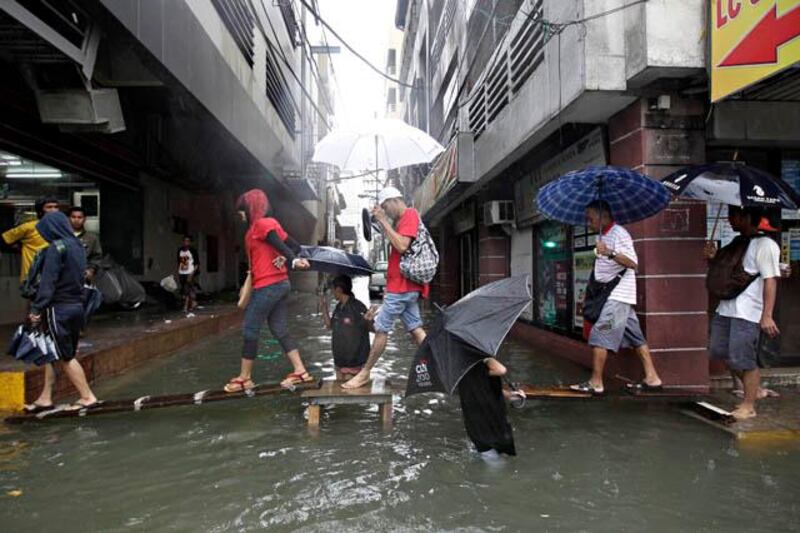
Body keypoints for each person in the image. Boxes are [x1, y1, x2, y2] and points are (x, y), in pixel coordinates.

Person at [225, 189, 314, 392]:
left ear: (250, 208)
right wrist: (289, 257)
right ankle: (300, 371)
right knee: (279, 328)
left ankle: (245, 378)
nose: (239, 215)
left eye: (241, 210)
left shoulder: (260, 225)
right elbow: (294, 245)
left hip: (268, 286)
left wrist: (290, 258)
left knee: (250, 328)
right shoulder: (269, 224)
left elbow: (283, 246)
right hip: (281, 284)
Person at [570, 200, 662, 395]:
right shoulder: (606, 235)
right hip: (617, 296)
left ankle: (596, 383)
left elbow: (633, 263)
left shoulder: (619, 234)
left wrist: (609, 252)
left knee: (599, 336)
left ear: (603, 217)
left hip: (617, 296)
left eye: (591, 219)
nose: (589, 223)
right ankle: (652, 378)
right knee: (637, 338)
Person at [342, 186, 428, 389]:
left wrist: (382, 220)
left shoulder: (409, 214)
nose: (385, 210)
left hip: (402, 288)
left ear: (393, 200)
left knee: (381, 329)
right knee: (416, 330)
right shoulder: (401, 220)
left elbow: (402, 246)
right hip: (402, 287)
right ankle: (439, 363)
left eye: (385, 206)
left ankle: (364, 373)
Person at [705, 206, 781, 420]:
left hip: (747, 311)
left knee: (743, 358)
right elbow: (727, 271)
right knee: (719, 351)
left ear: (747, 217)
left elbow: (770, 280)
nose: (730, 220)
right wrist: (712, 257)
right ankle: (754, 389)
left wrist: (767, 315)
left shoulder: (765, 245)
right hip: (727, 308)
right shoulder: (737, 242)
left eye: (734, 216)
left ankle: (749, 406)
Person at [23, 212, 100, 412]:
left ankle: (87, 397)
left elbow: (48, 283)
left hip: (58, 308)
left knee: (65, 357)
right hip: (76, 307)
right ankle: (45, 397)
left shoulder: (55, 249)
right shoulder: (78, 247)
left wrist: (37, 308)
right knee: (54, 352)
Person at [320, 275, 371, 381]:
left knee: (351, 392)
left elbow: (373, 328)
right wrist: (324, 308)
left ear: (339, 289)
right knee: (339, 388)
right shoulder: (339, 307)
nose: (332, 292)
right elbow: (330, 326)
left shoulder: (358, 307)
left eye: (333, 289)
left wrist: (368, 320)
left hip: (355, 362)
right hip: (340, 361)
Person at [2, 196, 60, 284]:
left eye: (56, 207)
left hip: (55, 275)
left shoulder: (62, 228)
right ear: (40, 210)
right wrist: (18, 247)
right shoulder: (29, 227)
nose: (54, 210)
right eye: (49, 207)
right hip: (33, 276)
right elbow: (4, 238)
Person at [68, 206, 103, 283]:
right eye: (73, 217)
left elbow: (97, 257)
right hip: (66, 277)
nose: (76, 220)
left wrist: (91, 270)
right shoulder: (63, 237)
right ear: (68, 218)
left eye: (79, 217)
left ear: (84, 219)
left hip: (84, 277)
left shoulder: (92, 238)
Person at [177, 235, 200, 312]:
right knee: (184, 290)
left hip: (190, 272)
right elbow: (179, 262)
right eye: (185, 241)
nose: (186, 243)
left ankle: (186, 306)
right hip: (182, 272)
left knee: (187, 289)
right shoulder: (180, 251)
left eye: (188, 241)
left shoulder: (192, 251)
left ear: (190, 242)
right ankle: (193, 303)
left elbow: (197, 264)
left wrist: (192, 273)